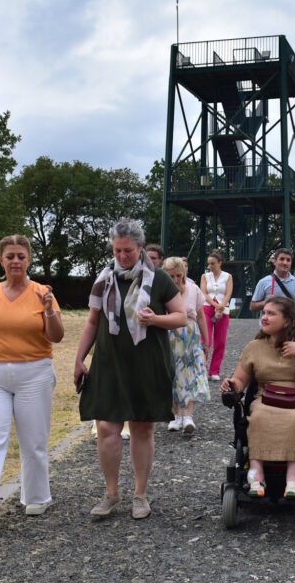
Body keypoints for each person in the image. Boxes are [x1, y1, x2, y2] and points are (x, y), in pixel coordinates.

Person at [75, 218, 186, 520]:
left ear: (140, 248)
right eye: (118, 250)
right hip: (108, 364)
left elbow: (181, 317)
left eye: (129, 251)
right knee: (106, 428)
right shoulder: (104, 278)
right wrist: (79, 358)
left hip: (146, 364)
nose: (122, 256)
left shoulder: (159, 279)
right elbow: (93, 321)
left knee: (140, 427)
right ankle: (111, 493)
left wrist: (155, 321)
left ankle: (140, 494)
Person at [0, 235, 64, 528]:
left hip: (34, 372)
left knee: (33, 440)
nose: (16, 261)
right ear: (1, 261)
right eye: (10, 256)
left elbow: (56, 336)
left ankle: (36, 497)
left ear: (29, 259)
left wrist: (48, 310)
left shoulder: (41, 292)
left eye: (21, 256)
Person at [220, 296, 295, 498]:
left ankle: (294, 479)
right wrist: (231, 385)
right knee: (258, 418)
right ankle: (256, 476)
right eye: (264, 313)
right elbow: (239, 381)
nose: (264, 317)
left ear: (288, 320)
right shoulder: (254, 347)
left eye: (271, 314)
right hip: (265, 399)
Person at [162, 256, 211, 434]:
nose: (175, 280)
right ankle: (176, 417)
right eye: (171, 276)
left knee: (193, 374)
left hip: (191, 336)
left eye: (178, 275)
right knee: (172, 375)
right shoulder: (162, 290)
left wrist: (207, 341)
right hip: (169, 336)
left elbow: (200, 316)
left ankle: (188, 416)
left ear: (184, 274)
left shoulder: (194, 289)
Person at [248, 246, 295, 326]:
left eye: (288, 260)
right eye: (282, 259)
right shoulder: (264, 282)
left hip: (291, 331)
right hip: (269, 331)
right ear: (274, 262)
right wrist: (265, 302)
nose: (285, 263)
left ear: (291, 263)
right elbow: (252, 307)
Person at [200, 248, 233, 380]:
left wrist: (221, 307)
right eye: (208, 264)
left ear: (220, 263)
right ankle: (202, 368)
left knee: (220, 341)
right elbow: (204, 293)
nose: (210, 266)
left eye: (213, 263)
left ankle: (214, 371)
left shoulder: (228, 276)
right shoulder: (205, 276)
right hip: (207, 309)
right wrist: (215, 306)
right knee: (205, 340)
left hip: (223, 310)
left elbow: (228, 293)